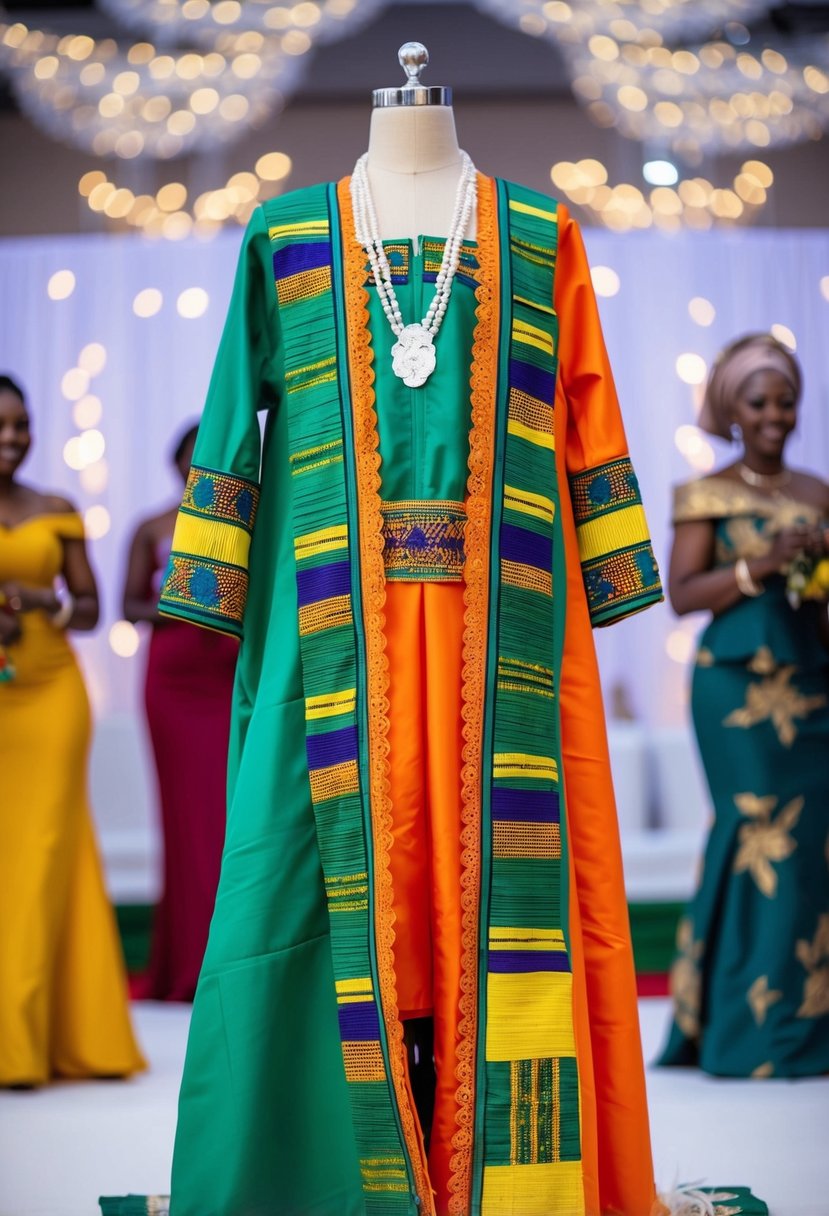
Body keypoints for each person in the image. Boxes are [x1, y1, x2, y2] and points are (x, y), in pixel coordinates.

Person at [659, 333, 829, 1078]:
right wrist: (762, 564)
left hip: (810, 681)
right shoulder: (704, 494)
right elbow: (681, 596)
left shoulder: (817, 494)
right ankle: (735, 1032)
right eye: (757, 401)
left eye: (784, 400)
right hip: (732, 689)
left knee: (812, 846)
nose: (773, 415)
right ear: (731, 409)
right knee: (755, 832)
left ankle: (801, 1024)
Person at [0, 374, 145, 1087]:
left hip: (52, 693)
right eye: (1, 426)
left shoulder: (55, 508)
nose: (12, 438)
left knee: (46, 850)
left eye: (21, 425)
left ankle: (21, 1049)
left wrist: (37, 602)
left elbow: (89, 609)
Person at [122, 424, 237, 1001]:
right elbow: (128, 606)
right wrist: (180, 600)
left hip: (225, 674)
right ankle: (182, 964)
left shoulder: (245, 526)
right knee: (182, 820)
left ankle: (223, 957)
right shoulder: (151, 528)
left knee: (224, 818)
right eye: (191, 460)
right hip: (173, 679)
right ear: (175, 464)